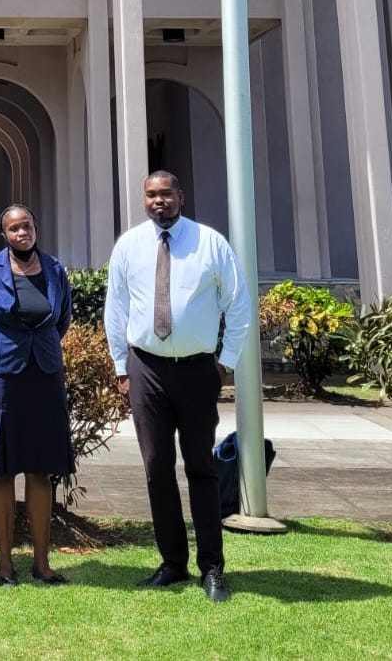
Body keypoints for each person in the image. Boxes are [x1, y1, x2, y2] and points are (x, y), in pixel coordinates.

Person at [103, 171, 251, 603]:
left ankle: (212, 568)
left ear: (181, 197)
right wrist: (119, 365)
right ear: (143, 200)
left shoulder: (210, 243)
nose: (158, 201)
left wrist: (226, 361)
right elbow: (116, 307)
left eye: (166, 194)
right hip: (145, 369)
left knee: (201, 468)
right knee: (157, 469)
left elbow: (238, 303)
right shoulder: (129, 245)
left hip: (197, 369)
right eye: (151, 195)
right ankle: (172, 563)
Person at [0, 204, 74, 586]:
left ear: (35, 228)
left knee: (41, 468)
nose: (21, 233)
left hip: (43, 374)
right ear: (4, 235)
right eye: (13, 229)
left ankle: (42, 564)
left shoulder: (56, 269)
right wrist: (5, 347)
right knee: (1, 467)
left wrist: (37, 349)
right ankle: (5, 565)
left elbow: (62, 320)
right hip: (0, 375)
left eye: (26, 225)